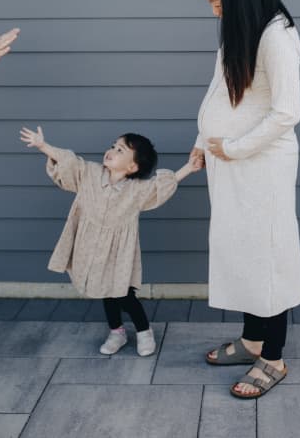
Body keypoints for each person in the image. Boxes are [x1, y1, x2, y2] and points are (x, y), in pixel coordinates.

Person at [190, 0, 300, 399]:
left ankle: (272, 357)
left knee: (267, 257)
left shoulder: (278, 36)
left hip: (261, 167)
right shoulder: (242, 29)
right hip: (230, 165)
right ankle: (252, 339)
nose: (215, 12)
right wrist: (203, 140)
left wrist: (233, 148)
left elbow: (287, 112)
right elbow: (221, 88)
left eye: (218, 3)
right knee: (241, 251)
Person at [20, 126, 203, 356]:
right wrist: (42, 145)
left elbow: (160, 187)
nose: (111, 151)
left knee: (123, 293)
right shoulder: (89, 174)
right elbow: (69, 162)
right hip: (90, 245)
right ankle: (117, 332)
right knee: (103, 290)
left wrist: (189, 167)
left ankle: (144, 331)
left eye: (120, 150)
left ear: (132, 166)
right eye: (113, 146)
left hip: (118, 252)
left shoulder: (136, 190)